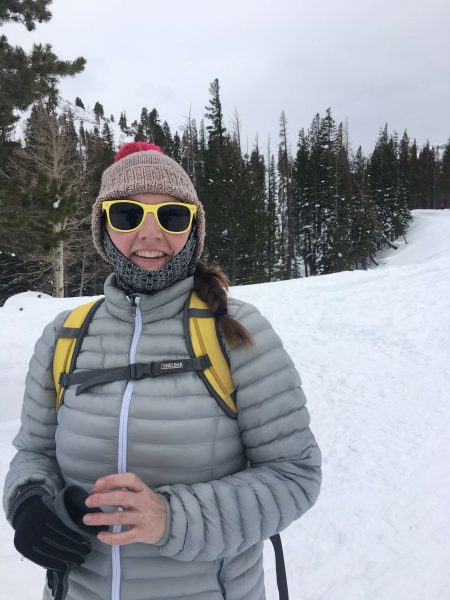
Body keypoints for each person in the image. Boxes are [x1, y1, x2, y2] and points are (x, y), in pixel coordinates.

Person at [3, 141, 322, 600]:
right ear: (103, 228)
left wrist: (170, 518)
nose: (150, 236)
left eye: (172, 216)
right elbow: (32, 453)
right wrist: (27, 501)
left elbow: (294, 474)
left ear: (193, 228)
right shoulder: (65, 336)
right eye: (128, 216)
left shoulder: (236, 332)